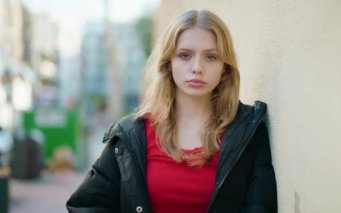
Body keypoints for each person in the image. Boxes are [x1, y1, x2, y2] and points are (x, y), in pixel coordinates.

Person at [67, 9, 277, 213]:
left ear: (225, 67)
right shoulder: (131, 134)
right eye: (185, 55)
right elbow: (86, 205)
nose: (197, 67)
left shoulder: (247, 132)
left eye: (211, 57)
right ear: (168, 63)